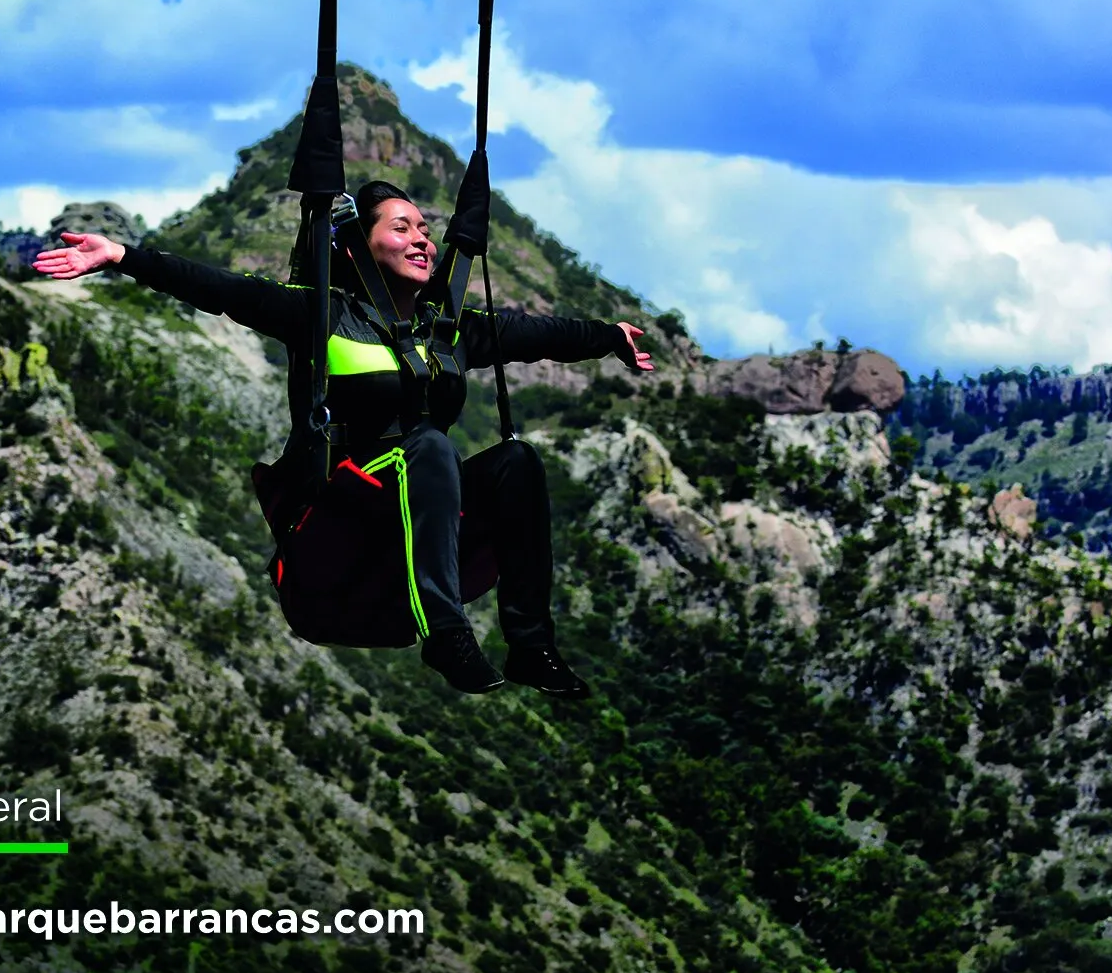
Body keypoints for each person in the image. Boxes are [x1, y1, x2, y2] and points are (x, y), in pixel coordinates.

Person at [32, 181, 653, 698]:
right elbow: (221, 290)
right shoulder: (322, 313)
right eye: (403, 228)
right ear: (360, 244)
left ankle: (531, 645)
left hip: (418, 508)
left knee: (516, 459)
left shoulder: (451, 329)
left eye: (425, 230)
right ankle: (446, 633)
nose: (423, 240)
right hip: (347, 501)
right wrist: (122, 257)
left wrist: (609, 336)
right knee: (432, 445)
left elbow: (543, 333)